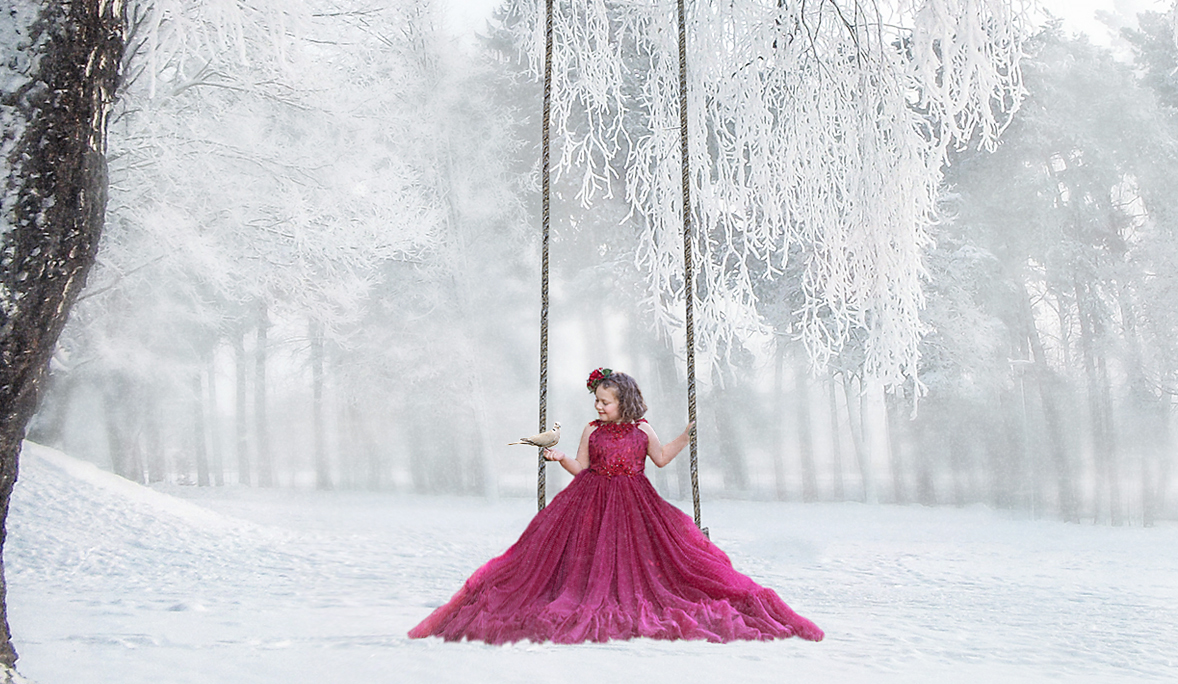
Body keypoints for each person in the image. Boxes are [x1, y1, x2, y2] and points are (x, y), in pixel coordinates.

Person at [408, 368, 824, 644]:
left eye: (605, 402)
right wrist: (559, 459)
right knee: (581, 562)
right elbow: (582, 468)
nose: (599, 408)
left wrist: (684, 436)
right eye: (596, 402)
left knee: (649, 563)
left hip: (636, 504)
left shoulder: (644, 429)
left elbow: (659, 460)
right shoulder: (591, 429)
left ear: (624, 401)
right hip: (591, 501)